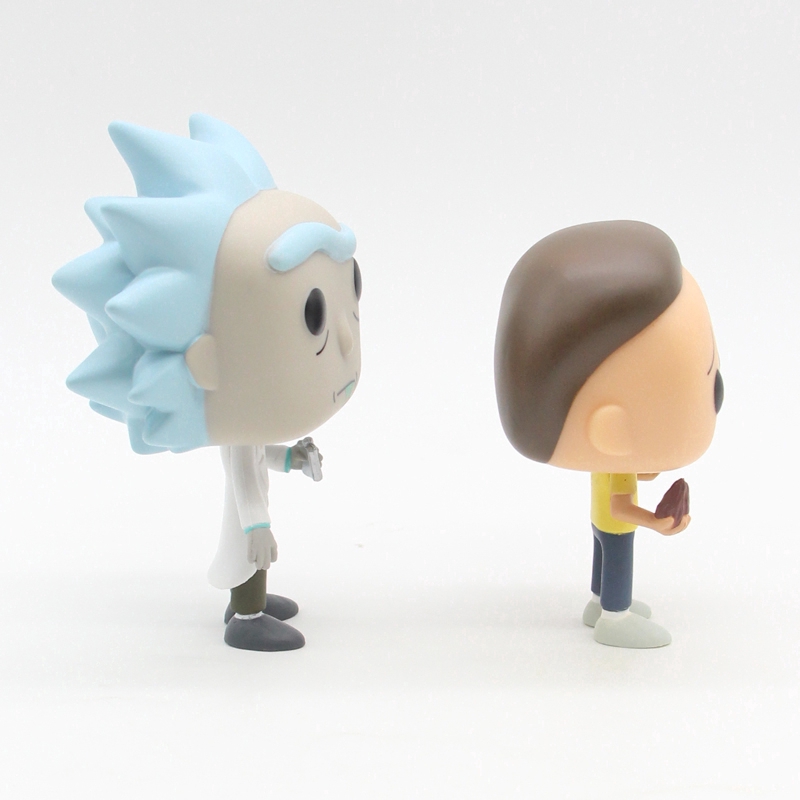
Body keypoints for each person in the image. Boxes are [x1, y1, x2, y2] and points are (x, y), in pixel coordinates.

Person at [53, 114, 362, 651]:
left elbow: (261, 459)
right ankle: (247, 617)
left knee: (253, 559)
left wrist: (294, 459)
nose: (346, 339)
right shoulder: (239, 428)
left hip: (250, 512)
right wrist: (256, 526)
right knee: (250, 556)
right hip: (246, 522)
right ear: (205, 362)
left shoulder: (252, 428)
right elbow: (245, 475)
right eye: (312, 315)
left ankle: (250, 601)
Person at [494, 220, 723, 648]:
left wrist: (649, 470)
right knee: (619, 561)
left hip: (600, 522)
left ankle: (599, 603)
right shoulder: (613, 469)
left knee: (602, 562)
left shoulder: (609, 461)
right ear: (611, 430)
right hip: (615, 526)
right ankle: (615, 618)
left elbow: (627, 482)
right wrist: (655, 522)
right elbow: (620, 507)